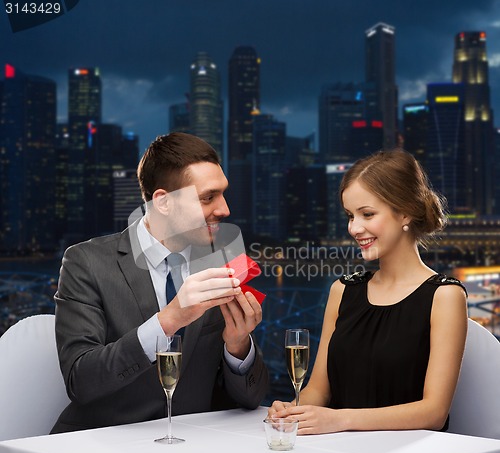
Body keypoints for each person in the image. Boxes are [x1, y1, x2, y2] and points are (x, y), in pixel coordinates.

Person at [51, 132, 268, 433]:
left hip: (192, 448)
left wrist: (238, 346)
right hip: (101, 447)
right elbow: (81, 381)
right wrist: (169, 320)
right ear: (163, 202)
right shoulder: (86, 262)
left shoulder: (218, 261)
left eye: (223, 194)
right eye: (208, 197)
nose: (225, 209)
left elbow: (251, 398)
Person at [268, 149, 468, 435]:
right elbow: (317, 392)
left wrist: (341, 420)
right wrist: (292, 409)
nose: (354, 228)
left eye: (367, 214)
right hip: (337, 452)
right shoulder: (342, 291)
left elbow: (433, 412)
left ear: (405, 212)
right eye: (350, 216)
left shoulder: (445, 297)